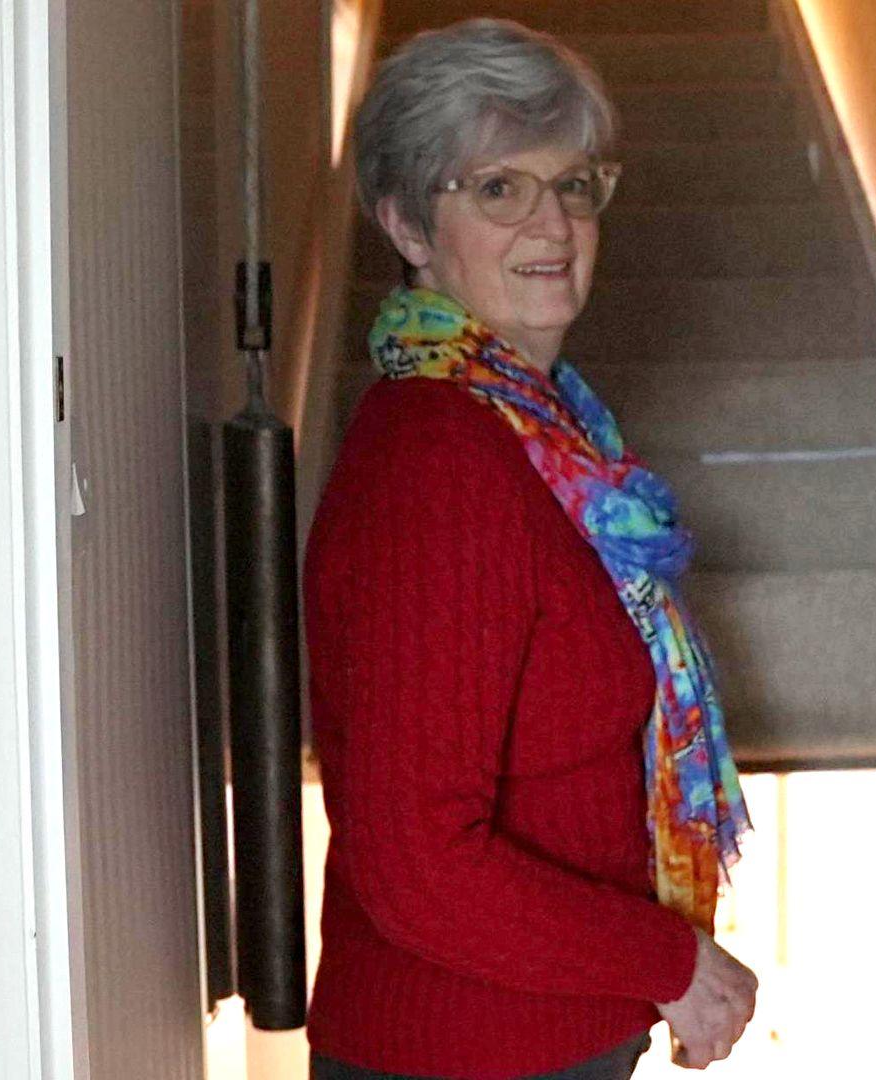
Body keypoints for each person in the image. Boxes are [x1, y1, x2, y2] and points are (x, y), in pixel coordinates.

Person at [301, 19, 757, 1080]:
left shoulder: (549, 441)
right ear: (407, 222)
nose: (552, 220)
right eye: (498, 187)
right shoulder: (441, 460)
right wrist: (674, 958)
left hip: (527, 1037)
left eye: (575, 185)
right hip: (465, 1052)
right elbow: (418, 862)